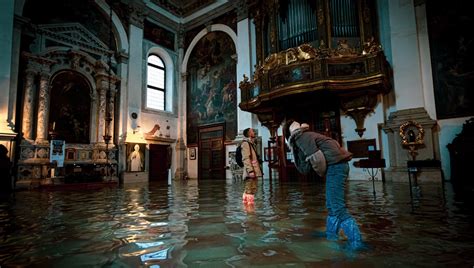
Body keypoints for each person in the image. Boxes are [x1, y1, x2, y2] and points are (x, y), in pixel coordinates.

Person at [284, 120, 363, 250]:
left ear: (288, 133)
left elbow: (317, 159)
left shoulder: (301, 137)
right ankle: (331, 234)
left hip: (336, 167)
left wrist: (321, 173)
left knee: (337, 207)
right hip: (337, 166)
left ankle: (357, 243)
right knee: (331, 205)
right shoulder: (308, 134)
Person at [241, 128, 262, 205]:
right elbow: (246, 158)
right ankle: (249, 212)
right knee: (249, 189)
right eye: (252, 131)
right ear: (249, 134)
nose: (254, 132)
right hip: (250, 172)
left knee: (252, 189)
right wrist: (250, 171)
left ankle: (249, 208)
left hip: (254, 171)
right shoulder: (245, 144)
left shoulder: (251, 144)